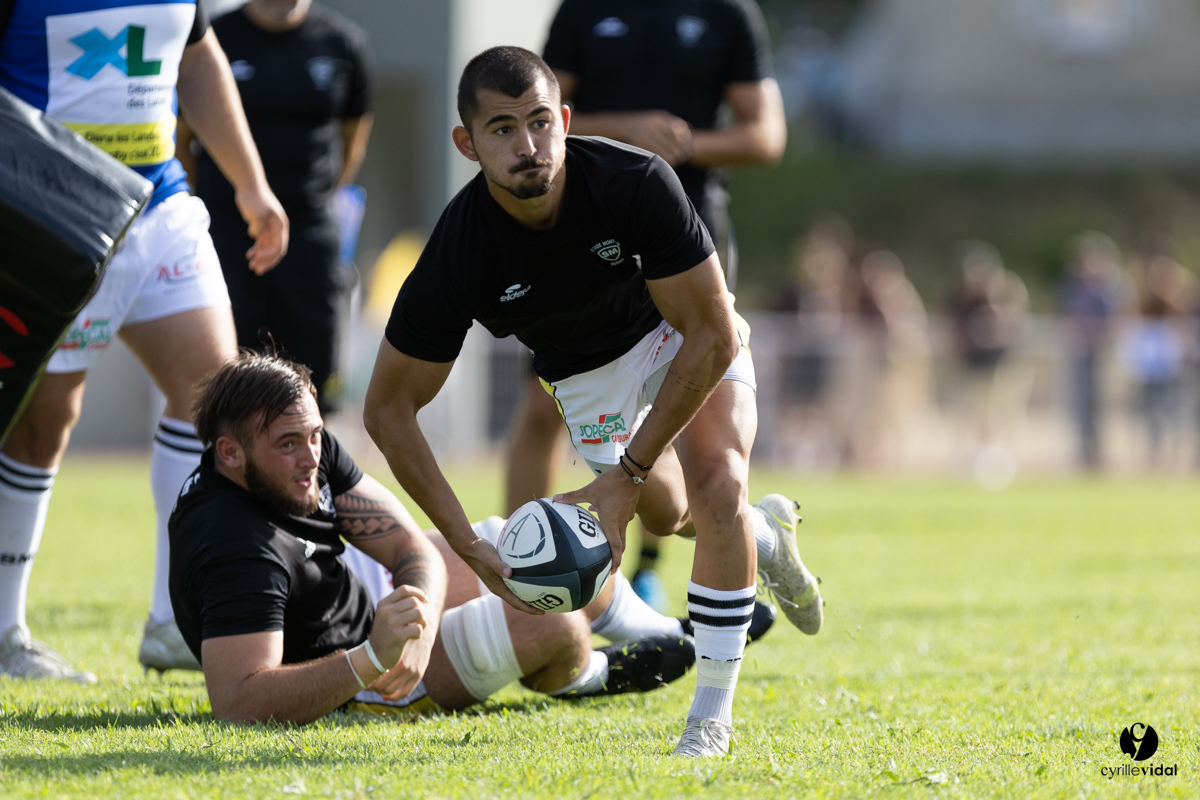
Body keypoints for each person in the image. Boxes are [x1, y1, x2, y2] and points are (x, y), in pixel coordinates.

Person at [363, 47, 822, 757]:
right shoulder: (459, 251)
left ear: (566, 121)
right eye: (503, 129)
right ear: (467, 143)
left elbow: (711, 334)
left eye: (541, 122)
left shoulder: (634, 180)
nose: (528, 145)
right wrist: (469, 545)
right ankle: (767, 540)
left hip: (678, 332)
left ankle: (710, 717)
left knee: (719, 482)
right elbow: (387, 411)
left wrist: (626, 475)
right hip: (584, 378)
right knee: (674, 516)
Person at [0, 0, 288, 681]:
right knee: (44, 422)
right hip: (52, 217)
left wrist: (250, 184)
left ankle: (172, 621)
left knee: (217, 398)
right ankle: (6, 631)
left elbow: (198, 58)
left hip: (160, 210)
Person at [170, 353, 695, 723]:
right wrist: (373, 657)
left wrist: (417, 625)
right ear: (229, 452)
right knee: (552, 623)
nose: (311, 457)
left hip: (363, 605)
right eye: (289, 444)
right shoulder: (234, 545)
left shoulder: (302, 446)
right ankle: (589, 674)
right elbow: (238, 702)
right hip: (352, 678)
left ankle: (667, 629)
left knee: (520, 545)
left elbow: (408, 546)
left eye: (313, 436)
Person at [506, 0, 788, 608]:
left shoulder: (728, 13)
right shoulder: (581, 9)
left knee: (687, 420)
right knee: (540, 406)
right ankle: (519, 579)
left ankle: (651, 571)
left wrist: (682, 144)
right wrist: (627, 132)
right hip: (588, 229)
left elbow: (766, 136)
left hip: (690, 230)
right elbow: (535, 118)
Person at [178, 0, 373, 412]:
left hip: (310, 234)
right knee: (224, 375)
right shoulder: (211, 39)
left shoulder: (343, 43)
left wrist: (317, 200)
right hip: (227, 232)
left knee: (314, 379)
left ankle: (309, 452)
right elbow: (181, 139)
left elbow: (353, 140)